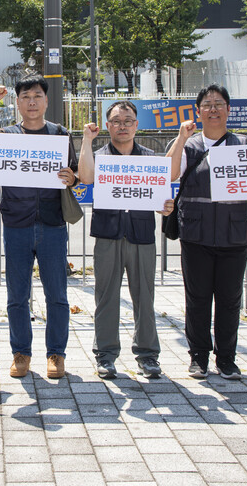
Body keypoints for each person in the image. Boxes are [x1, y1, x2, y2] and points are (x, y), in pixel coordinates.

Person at [0, 76, 78, 379]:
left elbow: (73, 174)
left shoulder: (59, 134)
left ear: (46, 101)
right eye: (25, 96)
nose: (31, 101)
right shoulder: (7, 135)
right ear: (17, 102)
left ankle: (56, 353)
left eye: (37, 95)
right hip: (17, 224)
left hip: (52, 224)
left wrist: (72, 179)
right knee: (17, 295)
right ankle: (21, 353)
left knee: (56, 294)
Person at [167, 84, 247, 381]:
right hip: (196, 235)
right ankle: (198, 357)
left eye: (219, 103)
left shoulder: (242, 144)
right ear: (198, 112)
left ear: (228, 110)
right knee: (196, 299)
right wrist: (181, 136)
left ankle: (227, 359)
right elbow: (171, 174)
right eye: (207, 104)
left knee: (229, 300)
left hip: (233, 235)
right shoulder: (190, 145)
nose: (213, 109)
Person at [78, 101, 174, 380]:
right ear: (107, 126)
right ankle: (106, 355)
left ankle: (148, 355)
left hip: (141, 234)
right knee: (106, 296)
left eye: (128, 120)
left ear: (136, 125)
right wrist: (86, 139)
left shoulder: (150, 158)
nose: (122, 126)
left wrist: (164, 206)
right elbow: (85, 177)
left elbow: (159, 201)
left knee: (145, 296)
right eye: (116, 121)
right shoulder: (98, 156)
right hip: (107, 234)